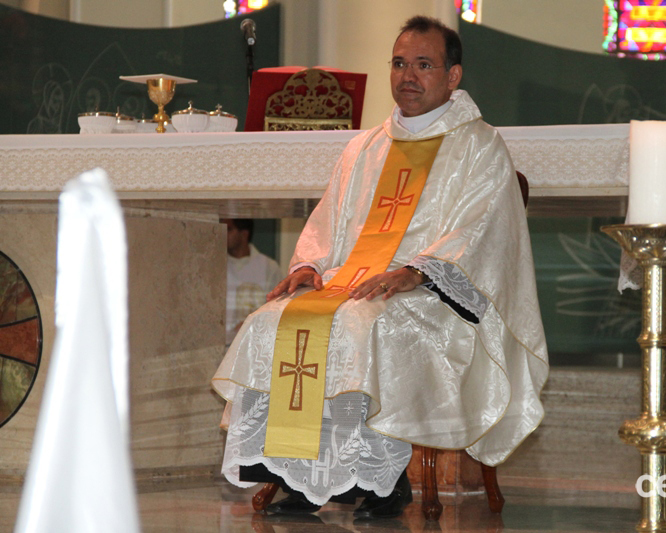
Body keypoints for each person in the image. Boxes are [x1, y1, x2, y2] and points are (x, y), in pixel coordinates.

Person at [212, 16, 548, 520]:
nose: (407, 76)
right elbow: (327, 222)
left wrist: (417, 272)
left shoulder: (479, 146)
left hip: (431, 297)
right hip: (351, 284)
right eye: (398, 64)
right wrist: (310, 266)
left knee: (360, 327)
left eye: (423, 65)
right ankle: (305, 478)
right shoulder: (364, 146)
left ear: (453, 76)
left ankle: (384, 483)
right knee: (273, 320)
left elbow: (482, 232)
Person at [222, 218, 283, 346]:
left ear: (244, 234)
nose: (222, 233)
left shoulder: (269, 267)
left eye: (228, 229)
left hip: (255, 344)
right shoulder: (215, 264)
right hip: (220, 345)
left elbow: (278, 307)